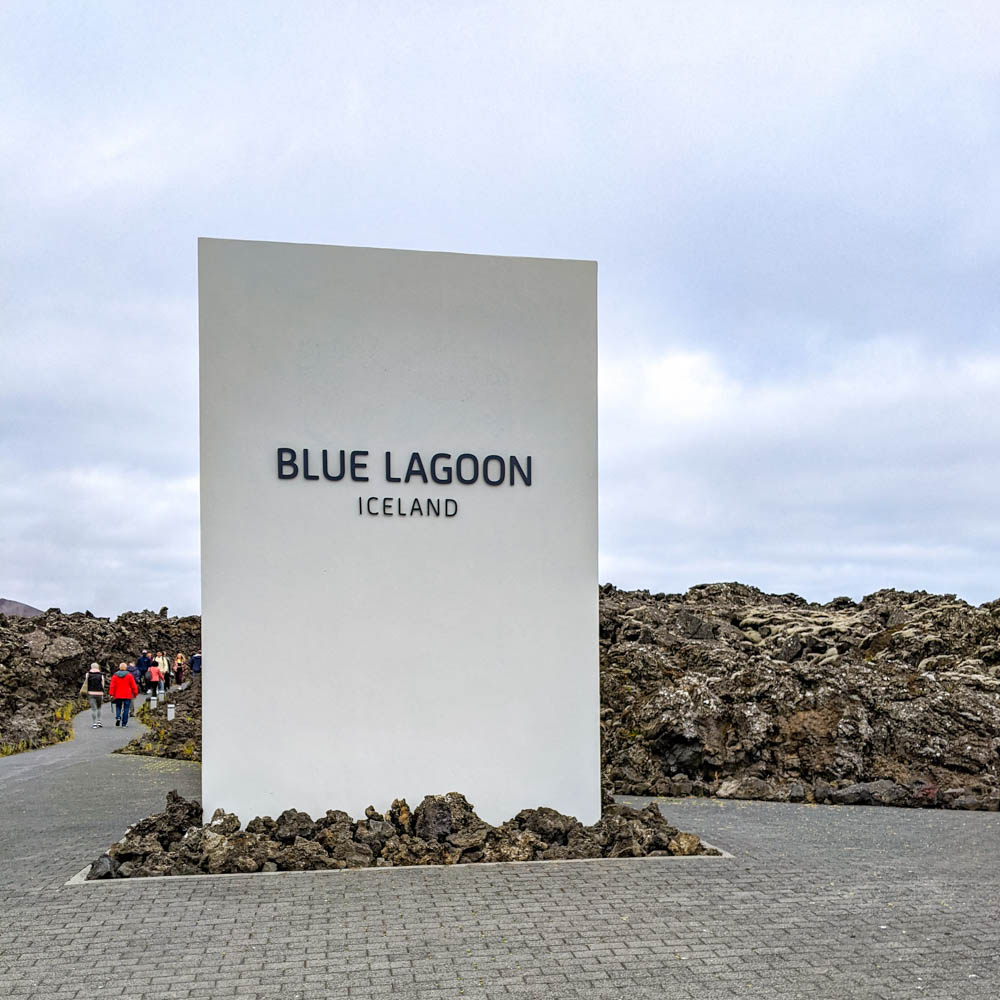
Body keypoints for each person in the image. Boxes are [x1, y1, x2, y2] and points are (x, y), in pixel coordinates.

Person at [108, 662, 139, 727]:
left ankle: (118, 717)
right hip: (127, 695)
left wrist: (111, 694)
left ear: (119, 667)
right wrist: (135, 693)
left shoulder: (115, 675)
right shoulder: (129, 675)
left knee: (118, 706)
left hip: (118, 694)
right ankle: (124, 724)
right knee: (126, 709)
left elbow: (112, 686)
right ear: (126, 668)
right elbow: (133, 685)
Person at [84, 663, 105, 728]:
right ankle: (99, 721)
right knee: (99, 708)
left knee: (93, 709)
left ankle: (94, 723)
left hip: (91, 693)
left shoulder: (88, 674)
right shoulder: (101, 675)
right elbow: (103, 685)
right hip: (99, 693)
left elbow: (86, 684)